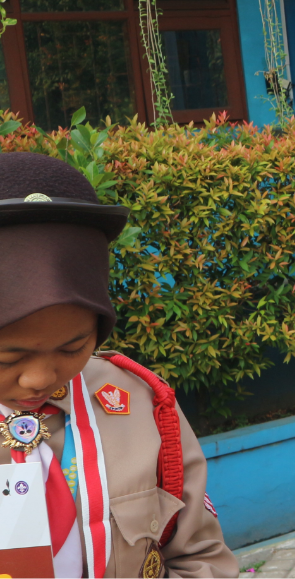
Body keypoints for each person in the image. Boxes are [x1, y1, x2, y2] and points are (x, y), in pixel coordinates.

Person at [0, 152, 236, 578]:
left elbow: (198, 555)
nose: (39, 378)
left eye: (72, 348)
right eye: (8, 358)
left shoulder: (138, 403)